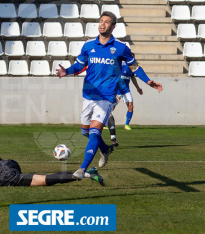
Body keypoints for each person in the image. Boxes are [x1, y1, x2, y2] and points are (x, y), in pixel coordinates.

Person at [56, 11, 163, 180]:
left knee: (94, 133)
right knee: (85, 132)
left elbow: (134, 67)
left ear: (113, 27)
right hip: (89, 96)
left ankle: (82, 169)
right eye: (101, 21)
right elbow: (79, 65)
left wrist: (148, 81)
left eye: (106, 22)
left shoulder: (121, 47)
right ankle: (105, 150)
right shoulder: (88, 45)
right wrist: (66, 71)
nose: (102, 24)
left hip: (106, 98)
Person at [106, 63, 145, 147]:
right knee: (111, 108)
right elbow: (113, 78)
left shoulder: (131, 68)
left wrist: (138, 88)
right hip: (117, 91)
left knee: (130, 105)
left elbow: (133, 78)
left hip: (126, 91)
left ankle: (126, 124)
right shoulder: (120, 65)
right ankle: (105, 122)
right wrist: (114, 92)